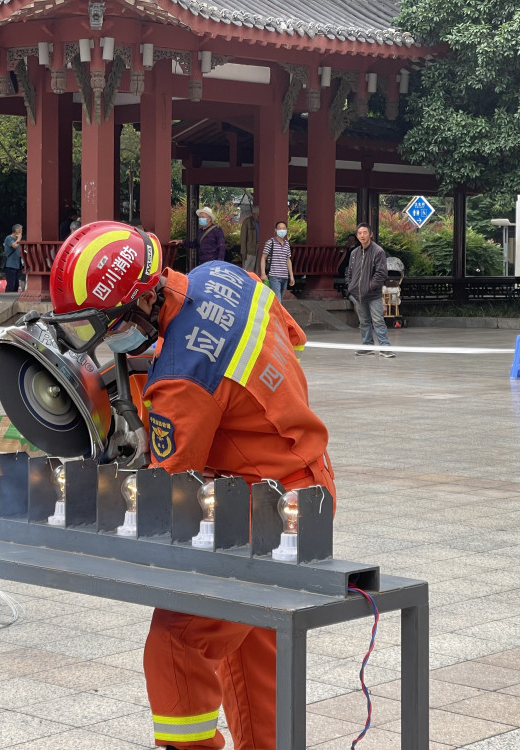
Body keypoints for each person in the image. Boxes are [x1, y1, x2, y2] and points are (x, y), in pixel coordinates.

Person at [49, 220, 335, 750]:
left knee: (177, 643)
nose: (99, 339)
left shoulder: (181, 379)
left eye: (103, 325)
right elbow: (290, 337)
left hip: (258, 515)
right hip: (302, 487)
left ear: (140, 303)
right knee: (250, 661)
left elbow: (168, 493)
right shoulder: (225, 276)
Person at [346, 222, 394, 358]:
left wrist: (370, 286)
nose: (362, 235)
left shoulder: (378, 251)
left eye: (365, 232)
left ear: (371, 234)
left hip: (373, 294)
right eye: (359, 233)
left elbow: (381, 273)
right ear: (357, 236)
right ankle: (367, 345)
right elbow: (349, 272)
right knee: (364, 321)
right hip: (358, 294)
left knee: (378, 320)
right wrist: (351, 286)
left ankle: (385, 347)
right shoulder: (354, 253)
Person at [259, 220, 295, 301]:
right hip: (274, 276)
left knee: (278, 300)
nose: (282, 230)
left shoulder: (287, 244)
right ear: (275, 230)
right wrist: (263, 273)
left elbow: (288, 260)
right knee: (278, 300)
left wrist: (291, 275)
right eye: (279, 228)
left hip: (285, 276)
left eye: (284, 228)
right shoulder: (270, 243)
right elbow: (263, 258)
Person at [3, 224, 24, 293]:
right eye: (20, 231)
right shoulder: (9, 238)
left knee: (16, 285)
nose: (21, 233)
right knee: (11, 285)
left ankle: (13, 299)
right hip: (10, 265)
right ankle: (7, 299)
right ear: (17, 231)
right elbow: (14, 246)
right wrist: (19, 239)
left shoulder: (17, 241)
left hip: (17, 265)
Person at [238, 205, 259, 271]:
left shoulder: (259, 222)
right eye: (257, 215)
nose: (258, 217)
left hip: (256, 249)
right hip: (248, 250)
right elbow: (243, 238)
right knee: (246, 269)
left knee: (253, 269)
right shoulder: (247, 222)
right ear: (253, 214)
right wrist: (243, 252)